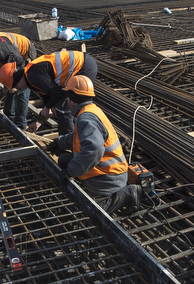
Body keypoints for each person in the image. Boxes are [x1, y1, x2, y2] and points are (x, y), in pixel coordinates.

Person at [51, 75, 142, 215]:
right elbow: (78, 137)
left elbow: (93, 150)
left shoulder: (85, 119)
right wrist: (58, 142)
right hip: (108, 169)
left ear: (71, 99)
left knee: (90, 212)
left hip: (109, 176)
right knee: (63, 160)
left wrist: (71, 172)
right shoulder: (90, 110)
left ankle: (128, 193)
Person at [0, 49, 98, 136]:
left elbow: (58, 93)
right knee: (65, 104)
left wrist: (48, 107)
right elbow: (48, 95)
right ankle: (71, 137)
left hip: (83, 67)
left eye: (16, 86)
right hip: (82, 64)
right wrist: (39, 122)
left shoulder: (33, 76)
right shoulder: (30, 78)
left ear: (18, 79)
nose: (18, 89)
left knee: (63, 106)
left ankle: (67, 143)